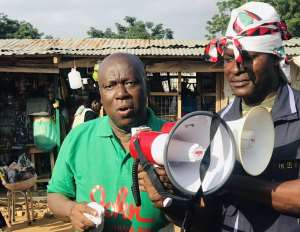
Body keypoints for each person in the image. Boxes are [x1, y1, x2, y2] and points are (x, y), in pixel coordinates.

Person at [140, 2, 300, 232]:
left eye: (249, 57)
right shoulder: (214, 125)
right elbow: (203, 219)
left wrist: (226, 180)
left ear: (276, 57)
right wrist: (169, 198)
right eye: (228, 59)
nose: (236, 68)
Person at [47, 53, 170, 231]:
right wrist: (71, 209)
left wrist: (168, 197)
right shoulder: (78, 138)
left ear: (146, 86)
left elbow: (199, 210)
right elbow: (55, 195)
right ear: (101, 94)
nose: (121, 94)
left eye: (130, 83)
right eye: (110, 86)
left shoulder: (171, 138)